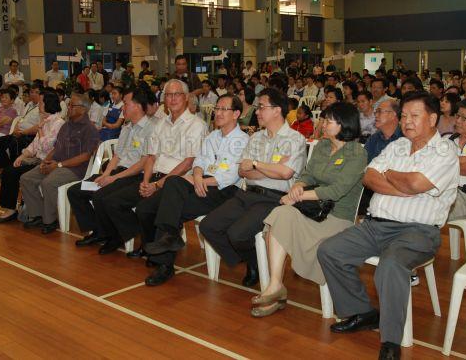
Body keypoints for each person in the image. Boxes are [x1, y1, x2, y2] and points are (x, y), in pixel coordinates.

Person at [318, 91, 459, 360]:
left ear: (432, 118)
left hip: (418, 231)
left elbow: (417, 184)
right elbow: (369, 177)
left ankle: (391, 340)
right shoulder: (397, 146)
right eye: (404, 115)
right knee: (330, 250)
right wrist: (402, 185)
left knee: (391, 265)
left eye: (414, 116)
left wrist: (391, 175)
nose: (407, 121)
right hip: (375, 226)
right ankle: (363, 313)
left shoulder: (445, 151)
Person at [251, 103, 367, 317]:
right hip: (314, 210)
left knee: (283, 210)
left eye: (328, 121)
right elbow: (308, 175)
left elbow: (337, 190)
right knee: (280, 215)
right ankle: (276, 284)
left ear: (343, 124)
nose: (322, 124)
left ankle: (276, 289)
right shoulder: (323, 147)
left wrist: (298, 196)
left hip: (337, 217)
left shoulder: (357, 153)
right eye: (323, 119)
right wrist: (298, 185)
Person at [200, 88, 307, 287]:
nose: (256, 112)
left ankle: (255, 263)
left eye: (261, 107)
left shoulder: (295, 139)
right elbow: (243, 171)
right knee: (208, 226)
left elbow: (285, 174)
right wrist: (270, 168)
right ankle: (254, 262)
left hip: (273, 198)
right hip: (246, 194)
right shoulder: (256, 137)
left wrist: (257, 164)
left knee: (237, 233)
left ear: (276, 110)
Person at [138, 95, 249, 285]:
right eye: (217, 108)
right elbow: (199, 162)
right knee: (172, 182)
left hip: (223, 191)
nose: (218, 113)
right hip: (202, 181)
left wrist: (202, 181)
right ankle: (171, 236)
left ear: (236, 114)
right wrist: (197, 176)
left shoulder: (242, 140)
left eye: (224, 109)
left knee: (172, 208)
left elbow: (230, 176)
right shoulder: (213, 136)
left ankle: (164, 265)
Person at [96, 79, 207, 255]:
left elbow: (187, 163)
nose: (172, 99)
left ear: (186, 97)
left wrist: (156, 185)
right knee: (112, 201)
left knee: (145, 208)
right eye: (168, 95)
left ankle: (154, 251)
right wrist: (146, 181)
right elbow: (151, 156)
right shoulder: (161, 124)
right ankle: (144, 241)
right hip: (152, 176)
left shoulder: (196, 125)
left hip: (176, 182)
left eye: (176, 94)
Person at [67, 88, 155, 245]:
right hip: (117, 172)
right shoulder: (127, 127)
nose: (122, 108)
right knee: (75, 191)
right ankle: (98, 231)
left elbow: (144, 162)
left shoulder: (151, 128)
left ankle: (115, 236)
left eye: (126, 104)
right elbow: (117, 156)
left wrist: (113, 178)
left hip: (133, 175)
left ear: (138, 106)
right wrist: (106, 174)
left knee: (101, 196)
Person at [20, 93, 100, 234]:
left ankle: (50, 220)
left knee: (48, 183)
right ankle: (38, 214)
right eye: (69, 105)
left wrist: (58, 165)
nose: (68, 108)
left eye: (71, 105)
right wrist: (46, 162)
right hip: (56, 163)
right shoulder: (66, 125)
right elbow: (56, 148)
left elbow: (85, 156)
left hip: (75, 169)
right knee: (27, 178)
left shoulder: (90, 129)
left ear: (83, 109)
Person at [0, 91, 65, 224]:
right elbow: (34, 145)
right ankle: (11, 209)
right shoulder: (46, 120)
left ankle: (25, 211)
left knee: (13, 173)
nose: (39, 105)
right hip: (37, 159)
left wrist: (40, 129)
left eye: (41, 102)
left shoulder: (58, 123)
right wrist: (22, 155)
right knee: (10, 169)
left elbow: (47, 147)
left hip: (47, 162)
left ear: (49, 104)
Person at [0, 85, 41, 178]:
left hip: (30, 135)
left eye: (36, 92)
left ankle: (14, 169)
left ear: (41, 95)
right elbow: (21, 119)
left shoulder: (41, 107)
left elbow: (39, 127)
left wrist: (23, 132)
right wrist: (15, 129)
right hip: (19, 132)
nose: (33, 94)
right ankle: (3, 168)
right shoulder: (29, 105)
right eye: (31, 92)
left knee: (15, 143)